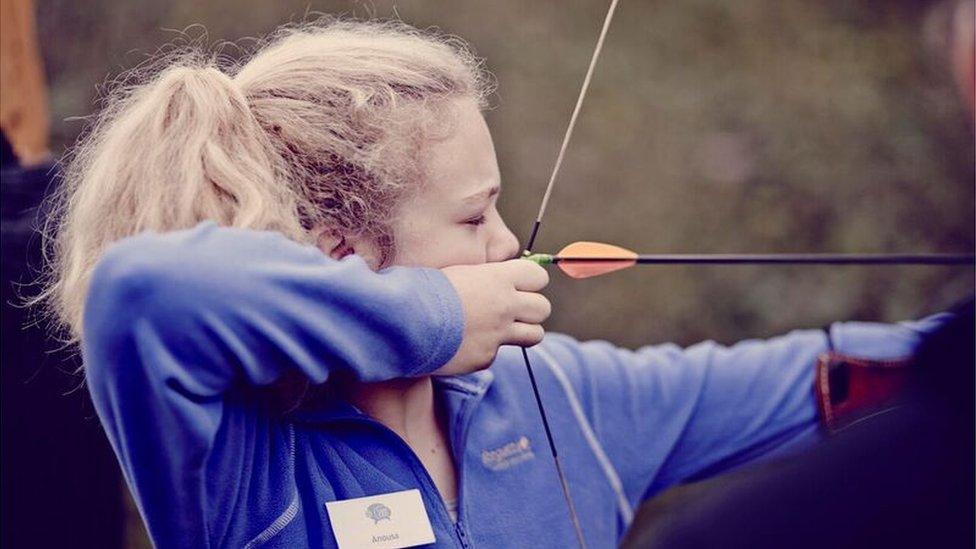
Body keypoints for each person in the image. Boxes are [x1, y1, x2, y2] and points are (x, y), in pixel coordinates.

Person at [38, 20, 952, 548]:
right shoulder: (243, 463)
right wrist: (436, 318)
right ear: (339, 251)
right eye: (475, 218)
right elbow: (142, 293)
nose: (511, 245)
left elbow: (824, 375)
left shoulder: (559, 398)